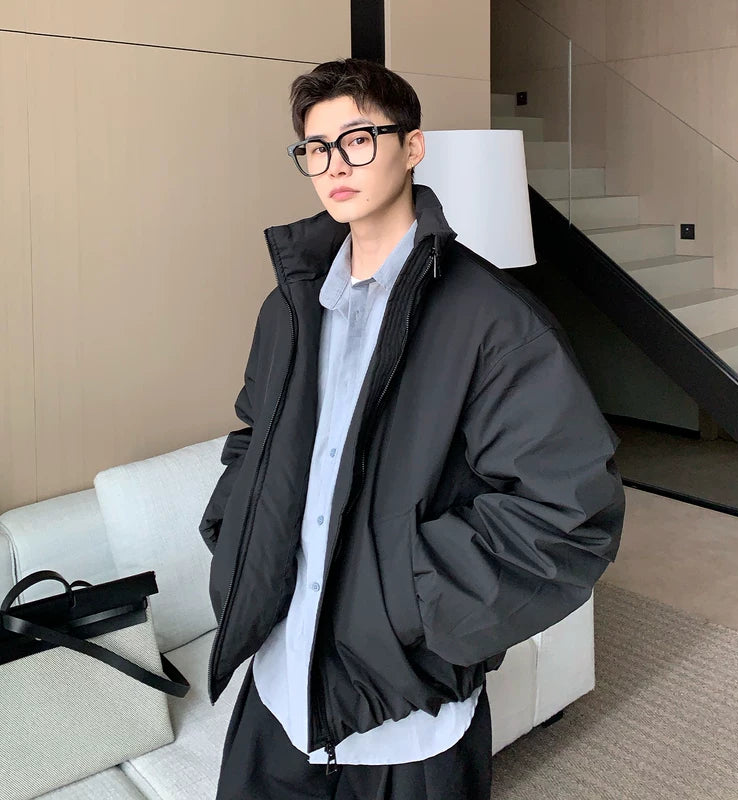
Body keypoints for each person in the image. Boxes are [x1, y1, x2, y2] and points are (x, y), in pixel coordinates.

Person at [199, 57, 626, 800]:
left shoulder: (493, 320)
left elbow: (569, 514)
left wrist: (403, 595)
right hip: (276, 690)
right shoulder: (289, 308)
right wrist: (238, 533)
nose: (335, 164)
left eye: (358, 139)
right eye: (317, 148)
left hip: (410, 719)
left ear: (413, 146)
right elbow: (253, 438)